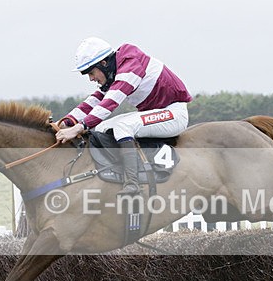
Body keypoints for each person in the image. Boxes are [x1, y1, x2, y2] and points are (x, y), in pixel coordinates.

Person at [54, 37, 192, 195]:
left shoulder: (131, 67)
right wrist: (66, 121)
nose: (91, 78)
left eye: (91, 72)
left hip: (174, 114)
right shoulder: (115, 71)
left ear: (104, 64)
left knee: (123, 127)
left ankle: (133, 183)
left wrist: (79, 127)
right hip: (154, 113)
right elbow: (93, 101)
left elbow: (109, 103)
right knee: (102, 128)